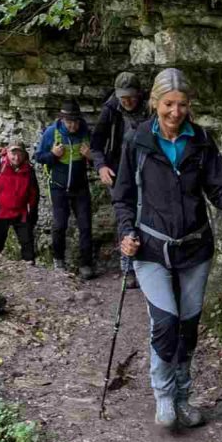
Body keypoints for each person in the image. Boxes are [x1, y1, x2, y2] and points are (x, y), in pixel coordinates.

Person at [113, 68, 222, 430]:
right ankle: (163, 395)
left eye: (182, 105)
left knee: (188, 326)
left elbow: (218, 188)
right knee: (166, 322)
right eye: (168, 104)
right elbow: (124, 196)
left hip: (194, 249)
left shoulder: (201, 141)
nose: (176, 112)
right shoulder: (138, 141)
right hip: (150, 249)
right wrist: (126, 232)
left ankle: (183, 396)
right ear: (155, 103)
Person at [90, 71, 149, 288]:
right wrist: (101, 166)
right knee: (125, 216)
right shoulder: (111, 110)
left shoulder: (150, 109)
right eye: (124, 98)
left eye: (132, 97)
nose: (128, 102)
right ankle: (128, 268)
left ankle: (147, 265)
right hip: (118, 172)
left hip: (146, 172)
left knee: (146, 216)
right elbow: (96, 145)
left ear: (140, 94)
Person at [33, 99, 95, 278]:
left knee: (85, 226)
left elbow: (97, 158)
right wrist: (52, 155)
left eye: (75, 121)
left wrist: (89, 156)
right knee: (60, 225)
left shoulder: (85, 133)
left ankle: (86, 264)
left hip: (80, 187)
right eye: (69, 122)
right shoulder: (52, 133)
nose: (73, 125)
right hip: (58, 188)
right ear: (62, 120)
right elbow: (39, 157)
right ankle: (58, 260)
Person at [0, 139, 39, 262]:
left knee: (28, 248)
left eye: (20, 154)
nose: (16, 157)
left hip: (21, 213)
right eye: (13, 153)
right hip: (0, 212)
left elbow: (34, 194)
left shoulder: (28, 171)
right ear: (7, 152)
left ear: (24, 155)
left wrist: (33, 214)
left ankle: (30, 273)